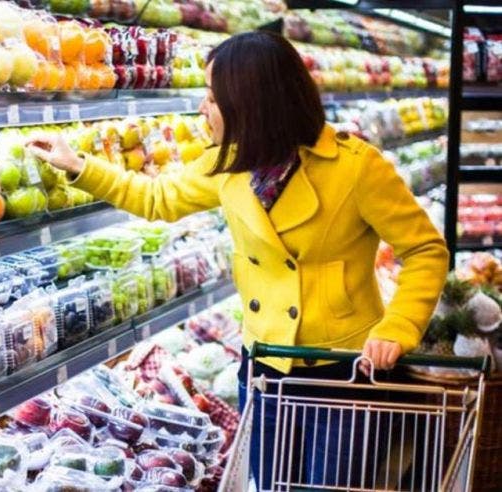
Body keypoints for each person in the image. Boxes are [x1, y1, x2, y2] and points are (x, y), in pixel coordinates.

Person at [26, 31, 448, 489]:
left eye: (212, 97)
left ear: (252, 102)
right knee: (268, 484)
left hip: (341, 371)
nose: (203, 110)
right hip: (265, 364)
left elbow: (424, 249)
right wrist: (80, 166)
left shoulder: (356, 168)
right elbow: (159, 198)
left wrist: (397, 327)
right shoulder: (231, 164)